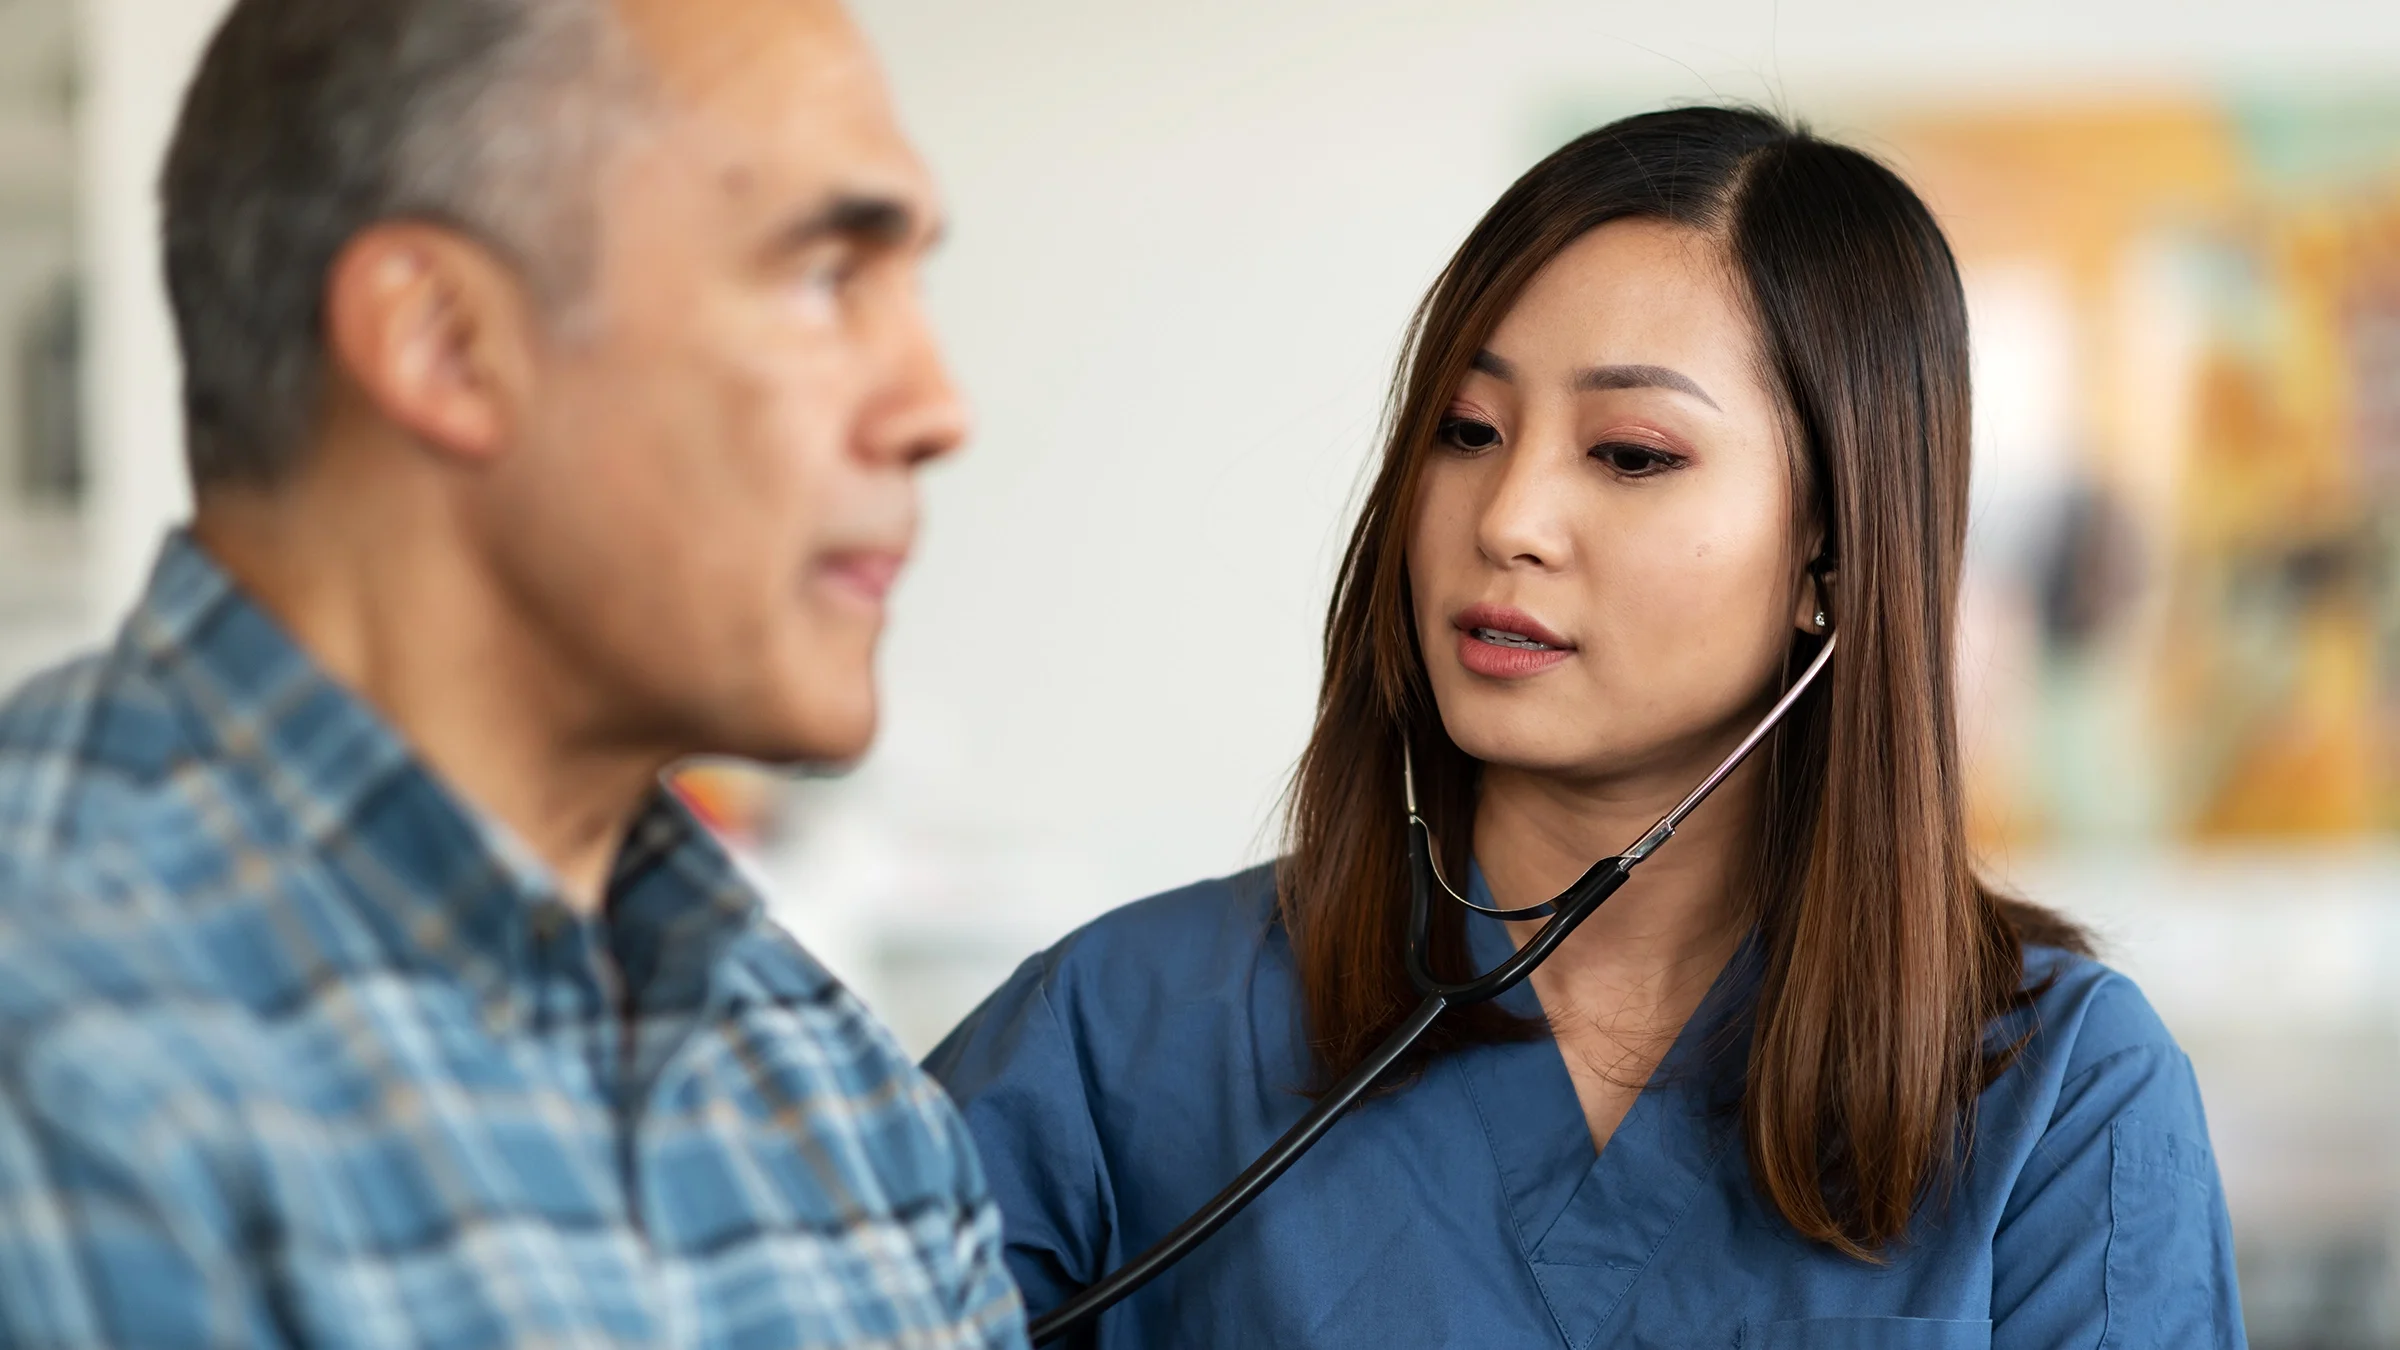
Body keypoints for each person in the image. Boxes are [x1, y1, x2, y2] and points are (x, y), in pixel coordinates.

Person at [928, 107, 2246, 1349]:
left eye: (1628, 453)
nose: (1506, 517)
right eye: (1465, 429)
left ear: (1829, 556)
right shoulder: (1120, 1034)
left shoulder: (2060, 1095)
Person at [0, 0, 1027, 1346]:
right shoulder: (53, 1044)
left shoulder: (843, 1101)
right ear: (444, 342)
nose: (936, 407)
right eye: (828, 275)